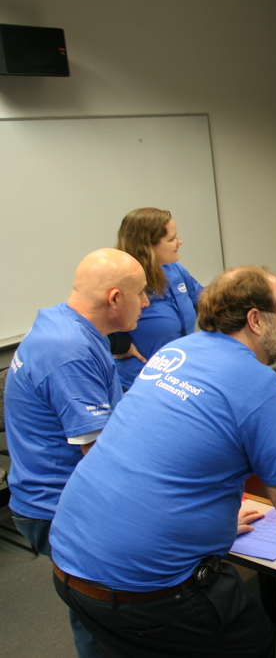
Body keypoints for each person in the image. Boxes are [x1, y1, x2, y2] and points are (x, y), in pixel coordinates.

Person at [48, 266, 276, 658]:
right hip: (146, 590)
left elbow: (163, 452)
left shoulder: (174, 352)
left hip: (68, 562)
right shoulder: (256, 383)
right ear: (256, 320)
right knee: (252, 640)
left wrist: (210, 521)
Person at [4, 248, 149, 658]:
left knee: (98, 608)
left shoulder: (69, 327)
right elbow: (101, 460)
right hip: (58, 505)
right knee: (104, 611)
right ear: (115, 298)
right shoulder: (69, 350)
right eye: (141, 293)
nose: (146, 302)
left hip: (61, 494)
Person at [110, 207, 204, 389]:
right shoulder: (121, 281)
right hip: (140, 383)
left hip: (181, 377)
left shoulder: (174, 269)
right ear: (147, 246)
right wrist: (120, 345)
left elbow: (203, 300)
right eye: (171, 239)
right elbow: (91, 323)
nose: (180, 242)